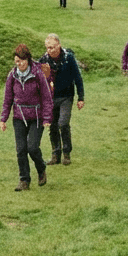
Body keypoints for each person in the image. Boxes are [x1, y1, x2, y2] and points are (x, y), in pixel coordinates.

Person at [0, 44, 53, 191]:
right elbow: (7, 99)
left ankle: (41, 168)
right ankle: (24, 180)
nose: (20, 64)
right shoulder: (12, 76)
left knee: (32, 147)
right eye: (17, 61)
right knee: (21, 149)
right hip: (19, 117)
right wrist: (3, 119)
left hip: (37, 117)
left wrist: (47, 118)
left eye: (22, 61)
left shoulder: (38, 74)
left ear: (28, 59)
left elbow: (46, 97)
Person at [37, 34, 84, 165]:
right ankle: (55, 155)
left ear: (58, 45)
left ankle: (67, 153)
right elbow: (41, 82)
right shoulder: (44, 61)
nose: (49, 50)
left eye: (52, 47)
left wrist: (81, 98)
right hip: (50, 98)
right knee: (52, 126)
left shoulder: (69, 58)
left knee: (63, 123)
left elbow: (77, 77)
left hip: (66, 97)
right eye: (47, 47)